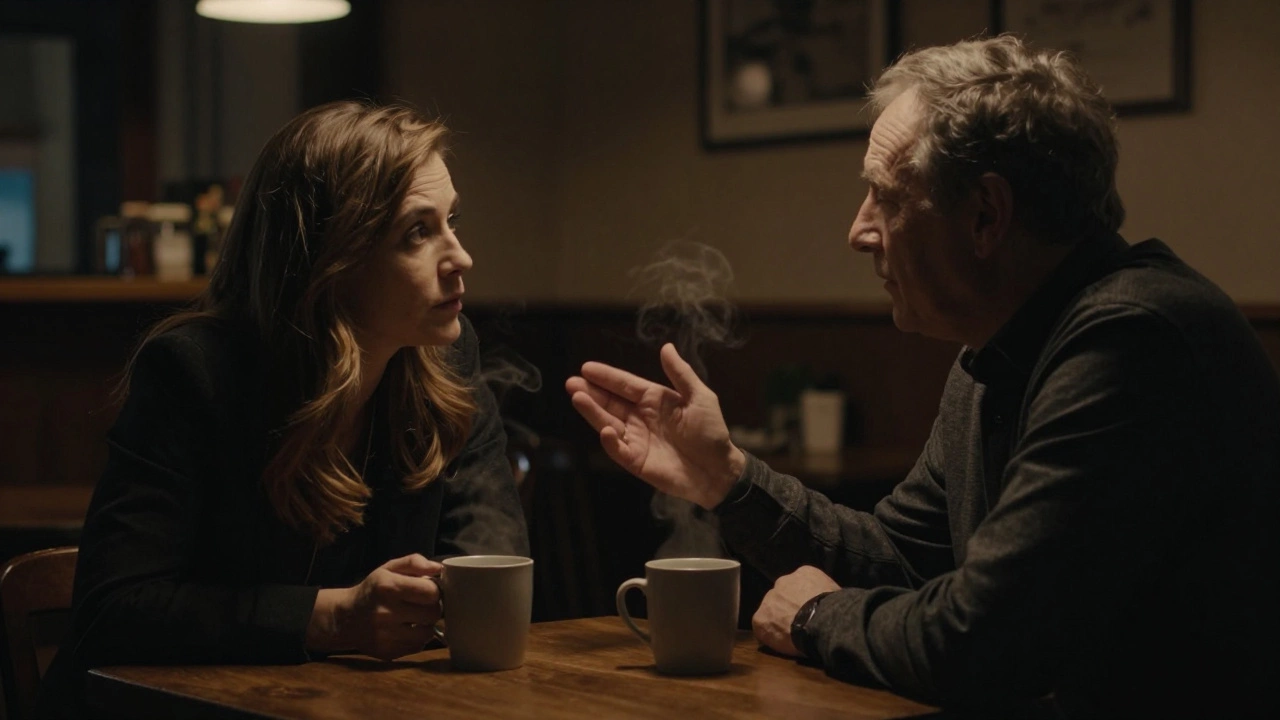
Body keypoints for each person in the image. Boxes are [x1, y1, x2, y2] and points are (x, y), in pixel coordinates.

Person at [567, 34, 1279, 718]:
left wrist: (817, 615)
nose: (858, 231)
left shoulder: (1133, 340)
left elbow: (987, 640)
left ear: (985, 215)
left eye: (886, 196)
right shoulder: (995, 353)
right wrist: (726, 477)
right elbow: (900, 560)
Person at [38, 101, 529, 717]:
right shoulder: (196, 372)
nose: (461, 258)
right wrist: (333, 618)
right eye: (418, 232)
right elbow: (116, 608)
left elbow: (488, 554)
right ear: (331, 260)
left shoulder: (446, 362)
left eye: (452, 221)